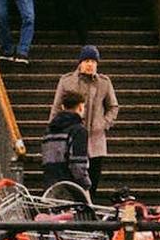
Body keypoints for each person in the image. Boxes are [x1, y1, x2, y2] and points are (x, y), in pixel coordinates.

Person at [49, 45, 119, 198]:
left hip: (95, 140)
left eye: (93, 61)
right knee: (72, 181)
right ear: (80, 62)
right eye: (87, 61)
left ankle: (88, 210)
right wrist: (54, 130)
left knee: (92, 181)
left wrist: (104, 124)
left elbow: (113, 107)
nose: (90, 65)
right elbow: (56, 108)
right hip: (71, 137)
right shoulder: (67, 81)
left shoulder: (104, 82)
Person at [41, 88, 91, 195]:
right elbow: (77, 164)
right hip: (71, 188)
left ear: (63, 107)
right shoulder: (79, 130)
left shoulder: (49, 130)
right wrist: (85, 185)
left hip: (51, 187)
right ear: (81, 107)